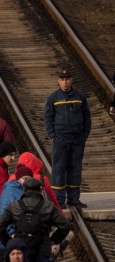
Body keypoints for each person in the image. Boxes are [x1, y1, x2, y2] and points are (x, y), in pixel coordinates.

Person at [44, 69, 91, 208]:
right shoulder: (53, 98)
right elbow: (48, 117)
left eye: (67, 79)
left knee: (75, 168)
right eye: (62, 79)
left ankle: (73, 199)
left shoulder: (80, 97)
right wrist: (53, 135)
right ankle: (59, 200)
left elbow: (86, 116)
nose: (65, 82)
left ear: (72, 80)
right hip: (61, 139)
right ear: (59, 81)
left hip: (77, 139)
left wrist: (85, 134)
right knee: (59, 168)